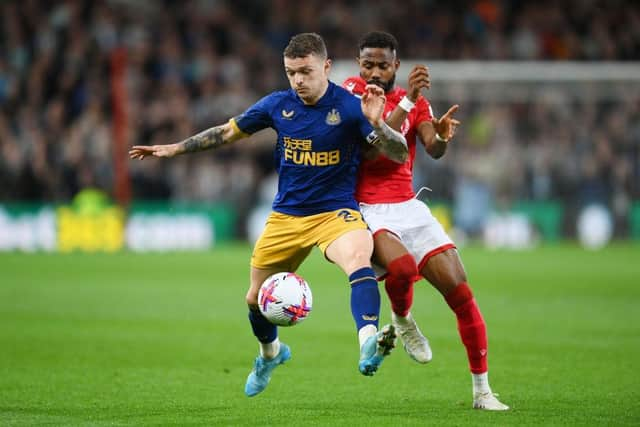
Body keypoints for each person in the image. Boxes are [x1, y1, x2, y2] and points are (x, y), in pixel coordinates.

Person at [130, 33, 408, 397]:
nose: (298, 81)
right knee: (254, 299)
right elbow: (226, 133)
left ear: (326, 67)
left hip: (335, 212)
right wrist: (174, 149)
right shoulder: (278, 105)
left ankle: (368, 342)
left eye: (305, 72)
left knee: (359, 259)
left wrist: (378, 125)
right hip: (286, 217)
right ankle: (270, 354)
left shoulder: (353, 107)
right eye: (291, 72)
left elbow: (399, 153)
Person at [342, 31, 509, 411]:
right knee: (400, 269)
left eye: (383, 64)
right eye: (368, 63)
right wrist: (411, 101)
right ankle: (402, 320)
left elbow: (431, 148)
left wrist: (443, 136)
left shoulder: (414, 103)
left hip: (409, 206)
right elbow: (373, 150)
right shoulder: (352, 95)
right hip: (369, 207)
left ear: (395, 66)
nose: (374, 71)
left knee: (460, 291)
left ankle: (482, 391)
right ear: (358, 63)